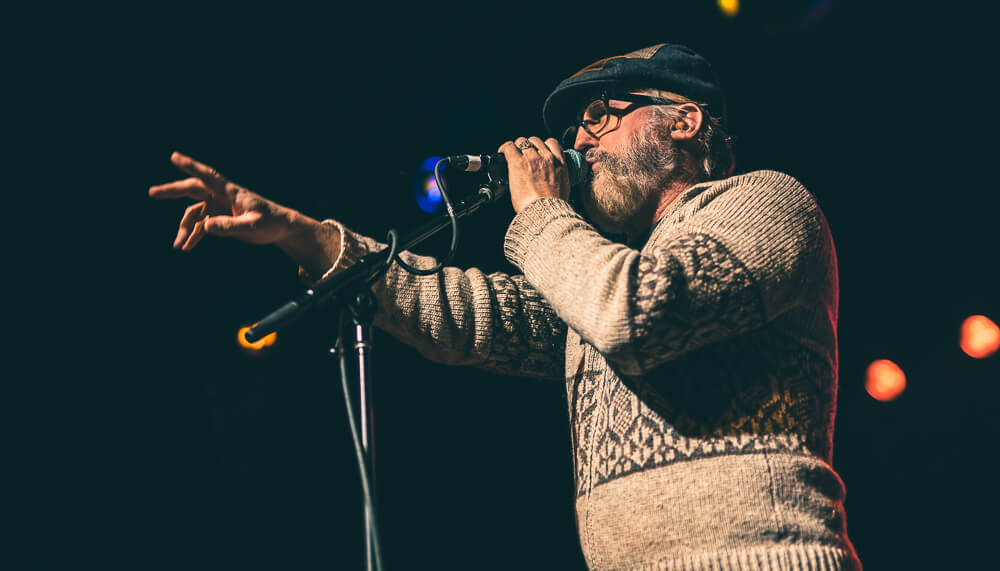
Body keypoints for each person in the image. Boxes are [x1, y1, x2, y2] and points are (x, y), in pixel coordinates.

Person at [150, 44, 862, 569]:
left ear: (682, 121)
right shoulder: (593, 267)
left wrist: (545, 212)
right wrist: (298, 232)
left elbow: (633, 314)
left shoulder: (766, 203)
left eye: (599, 117)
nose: (578, 141)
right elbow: (464, 311)